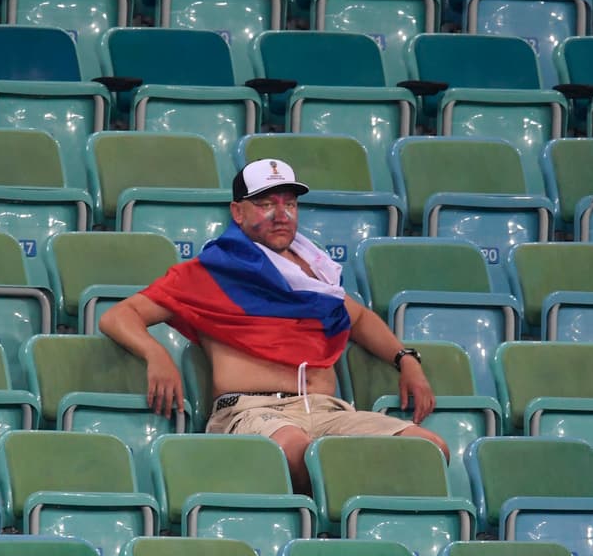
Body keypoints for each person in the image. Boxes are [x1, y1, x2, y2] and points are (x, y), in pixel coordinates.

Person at [99, 157, 449, 492]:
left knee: (429, 449)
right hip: (254, 410)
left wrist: (406, 360)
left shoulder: (312, 275)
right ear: (238, 212)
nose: (281, 215)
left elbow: (357, 317)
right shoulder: (209, 273)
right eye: (266, 204)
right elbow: (118, 316)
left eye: (290, 205)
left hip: (327, 410)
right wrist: (155, 353)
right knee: (295, 452)